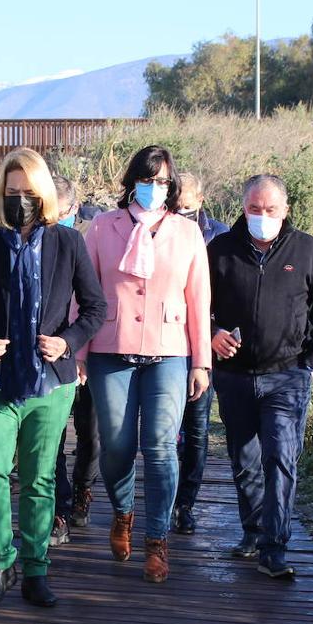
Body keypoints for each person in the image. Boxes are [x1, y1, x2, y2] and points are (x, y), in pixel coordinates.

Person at [0, 148, 106, 607]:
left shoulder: (69, 242)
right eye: (11, 191)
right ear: (1, 193)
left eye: (28, 192)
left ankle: (36, 568)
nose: (19, 200)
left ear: (44, 195)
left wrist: (67, 342)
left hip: (50, 383)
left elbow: (95, 308)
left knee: (39, 479)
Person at [79, 145, 211, 583]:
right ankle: (123, 513)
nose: (155, 188)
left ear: (171, 187)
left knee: (160, 446)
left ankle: (157, 539)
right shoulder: (103, 226)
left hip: (169, 351)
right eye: (147, 179)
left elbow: (199, 299)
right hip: (110, 349)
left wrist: (201, 362)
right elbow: (85, 292)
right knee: (116, 445)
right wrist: (78, 353)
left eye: (162, 181)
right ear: (132, 181)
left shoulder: (187, 233)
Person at [207, 174, 313, 579]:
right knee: (245, 460)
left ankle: (274, 547)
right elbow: (195, 306)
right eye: (254, 209)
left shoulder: (307, 250)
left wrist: (311, 365)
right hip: (234, 377)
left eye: (270, 209)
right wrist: (212, 334)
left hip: (287, 376)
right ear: (243, 208)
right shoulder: (221, 250)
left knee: (280, 458)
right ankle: (253, 531)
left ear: (286, 210)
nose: (261, 216)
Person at [171, 173, 229, 535]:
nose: (181, 211)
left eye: (187, 206)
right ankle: (163, 497)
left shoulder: (220, 238)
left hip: (204, 344)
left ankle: (186, 504)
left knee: (197, 428)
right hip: (167, 342)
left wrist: (215, 331)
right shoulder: (159, 229)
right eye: (176, 205)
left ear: (201, 200)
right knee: (163, 429)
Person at [49, 174, 102, 546]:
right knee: (52, 436)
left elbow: (98, 303)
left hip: (88, 348)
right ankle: (59, 508)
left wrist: (81, 350)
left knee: (90, 431)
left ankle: (84, 489)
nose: (53, 219)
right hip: (51, 355)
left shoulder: (92, 237)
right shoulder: (35, 238)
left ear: (74, 208)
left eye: (60, 212)